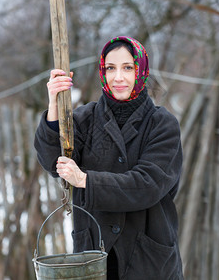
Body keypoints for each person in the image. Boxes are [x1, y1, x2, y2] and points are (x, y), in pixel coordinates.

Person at [34, 36, 184, 280]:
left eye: (128, 68)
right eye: (110, 68)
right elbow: (54, 161)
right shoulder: (85, 119)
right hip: (93, 253)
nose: (118, 77)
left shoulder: (161, 125)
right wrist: (53, 105)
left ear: (141, 70)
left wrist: (86, 180)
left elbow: (148, 184)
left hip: (146, 257)